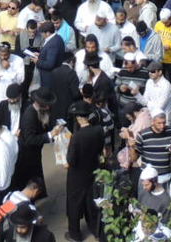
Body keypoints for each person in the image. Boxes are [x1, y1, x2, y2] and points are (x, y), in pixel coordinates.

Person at [62, 103, 104, 242]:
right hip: (92, 170)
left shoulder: (77, 137)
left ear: (79, 118)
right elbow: (100, 149)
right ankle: (94, 228)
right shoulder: (98, 130)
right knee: (90, 201)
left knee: (74, 203)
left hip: (76, 175)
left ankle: (74, 234)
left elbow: (71, 160)